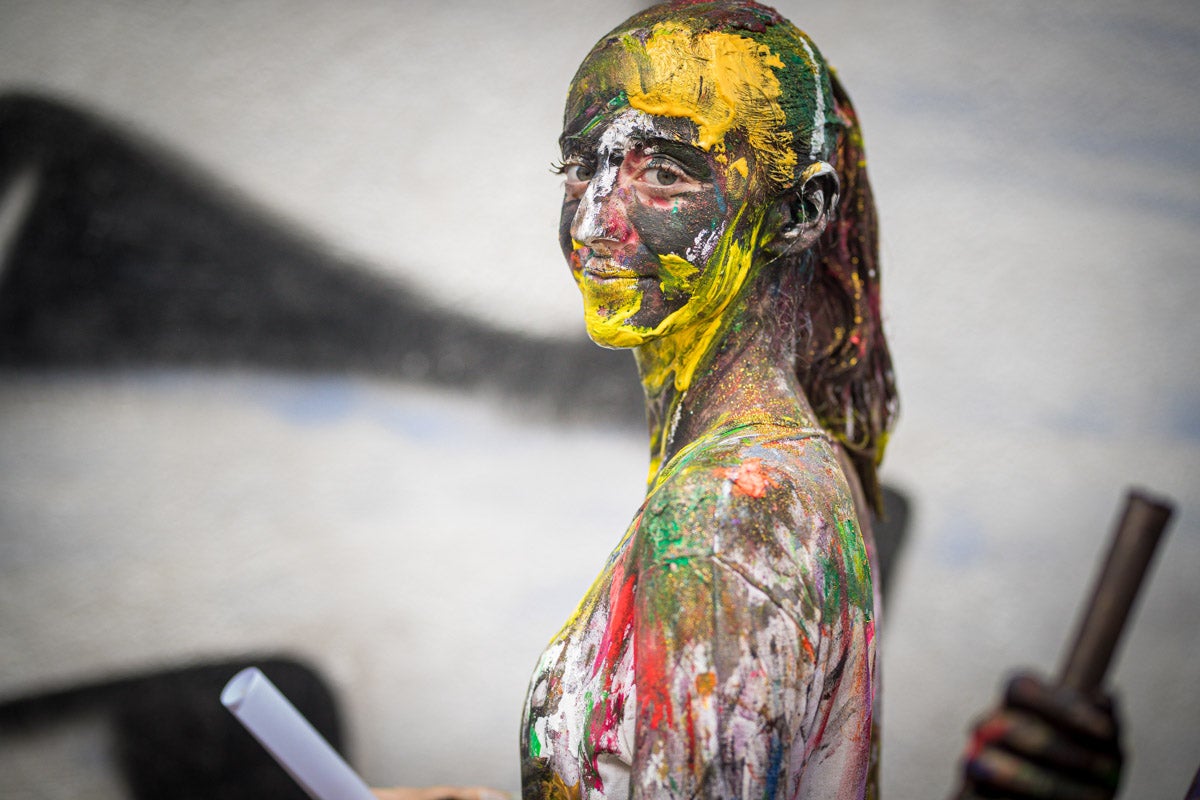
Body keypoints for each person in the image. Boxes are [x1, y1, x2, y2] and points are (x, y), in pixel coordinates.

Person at [374, 2, 1119, 798]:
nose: (594, 220)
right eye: (581, 164)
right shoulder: (772, 472)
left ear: (798, 212)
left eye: (663, 171)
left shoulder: (727, 512)